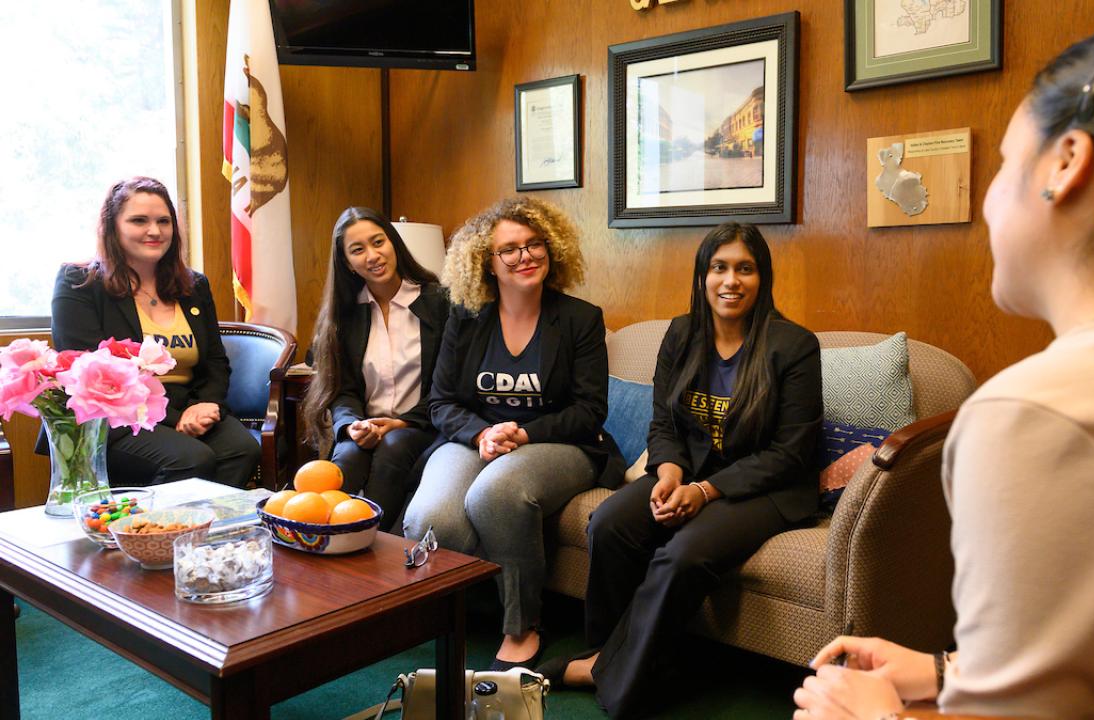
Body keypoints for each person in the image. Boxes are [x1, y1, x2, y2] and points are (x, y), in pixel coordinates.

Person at [793, 9, 1094, 719]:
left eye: (1001, 165)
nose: (990, 201)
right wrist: (948, 669)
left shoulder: (1042, 412)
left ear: (1066, 164)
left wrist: (871, 715)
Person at [541, 222, 824, 719]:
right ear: (702, 275)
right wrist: (669, 472)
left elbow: (791, 453)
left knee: (684, 553)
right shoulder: (681, 332)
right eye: (719, 268)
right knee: (609, 524)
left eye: (744, 269)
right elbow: (664, 420)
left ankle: (610, 676)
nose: (730, 281)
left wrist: (705, 490)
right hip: (689, 472)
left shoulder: (793, 346)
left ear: (763, 278)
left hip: (765, 488)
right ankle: (610, 651)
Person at [401, 196, 623, 671]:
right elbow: (441, 402)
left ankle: (521, 624)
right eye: (510, 249)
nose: (525, 256)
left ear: (551, 249)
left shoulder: (580, 319)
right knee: (429, 516)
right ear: (486, 262)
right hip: (474, 438)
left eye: (534, 244)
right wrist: (483, 433)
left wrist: (522, 433)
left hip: (560, 445)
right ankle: (451, 616)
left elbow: (589, 410)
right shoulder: (464, 318)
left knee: (497, 494)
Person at [51, 176, 260, 488]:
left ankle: (203, 533)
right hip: (115, 418)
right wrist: (178, 420)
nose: (154, 231)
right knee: (191, 458)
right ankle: (149, 535)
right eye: (139, 220)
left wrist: (207, 405)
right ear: (113, 226)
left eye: (164, 221)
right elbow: (87, 369)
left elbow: (215, 361)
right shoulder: (79, 282)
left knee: (242, 450)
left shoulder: (194, 285)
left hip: (186, 403)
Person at [300, 207, 450, 531]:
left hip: (423, 425)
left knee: (393, 449)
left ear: (393, 242)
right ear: (347, 263)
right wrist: (352, 425)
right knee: (348, 455)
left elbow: (449, 387)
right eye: (358, 250)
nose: (373, 255)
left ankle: (369, 543)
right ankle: (318, 539)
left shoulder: (439, 303)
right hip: (367, 425)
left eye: (378, 242)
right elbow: (341, 390)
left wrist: (401, 422)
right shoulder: (344, 315)